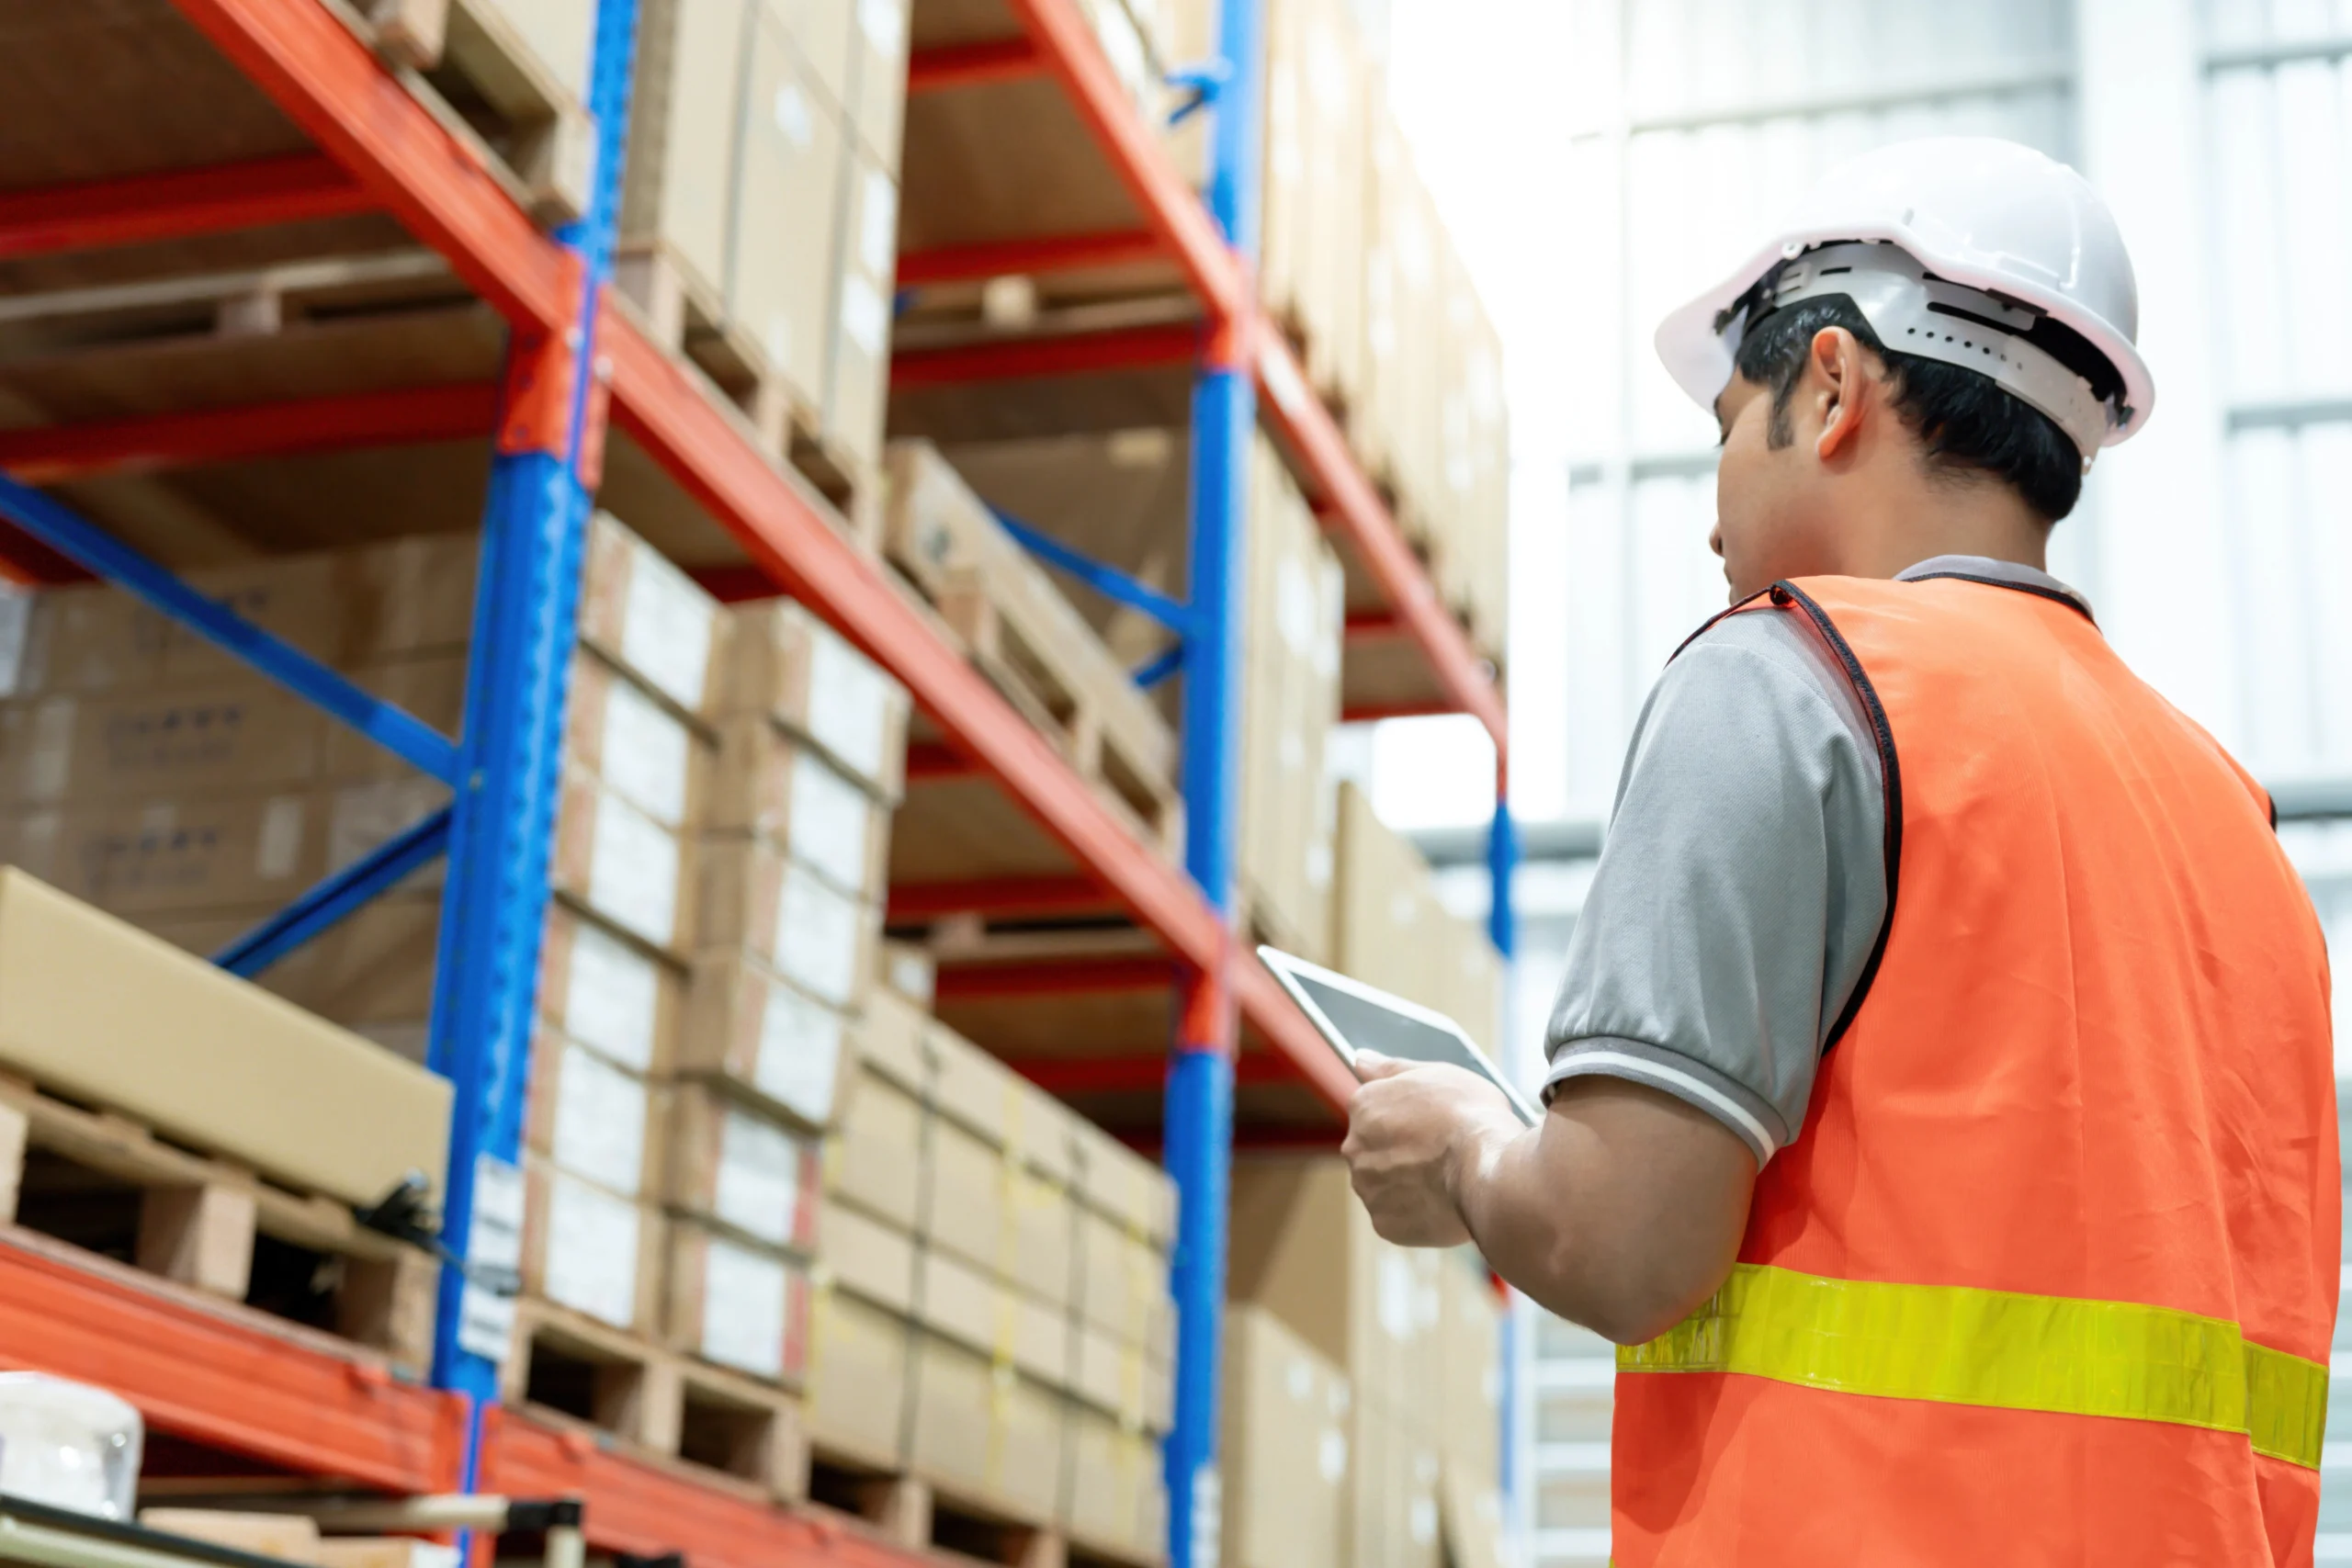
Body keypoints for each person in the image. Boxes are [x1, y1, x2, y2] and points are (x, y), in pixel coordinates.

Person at [1339, 136, 2339, 1562]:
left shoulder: (1788, 680)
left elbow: (1624, 1240)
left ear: (1828, 387)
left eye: (1728, 427)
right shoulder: (2233, 821)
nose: (1711, 516)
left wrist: (1465, 1153)